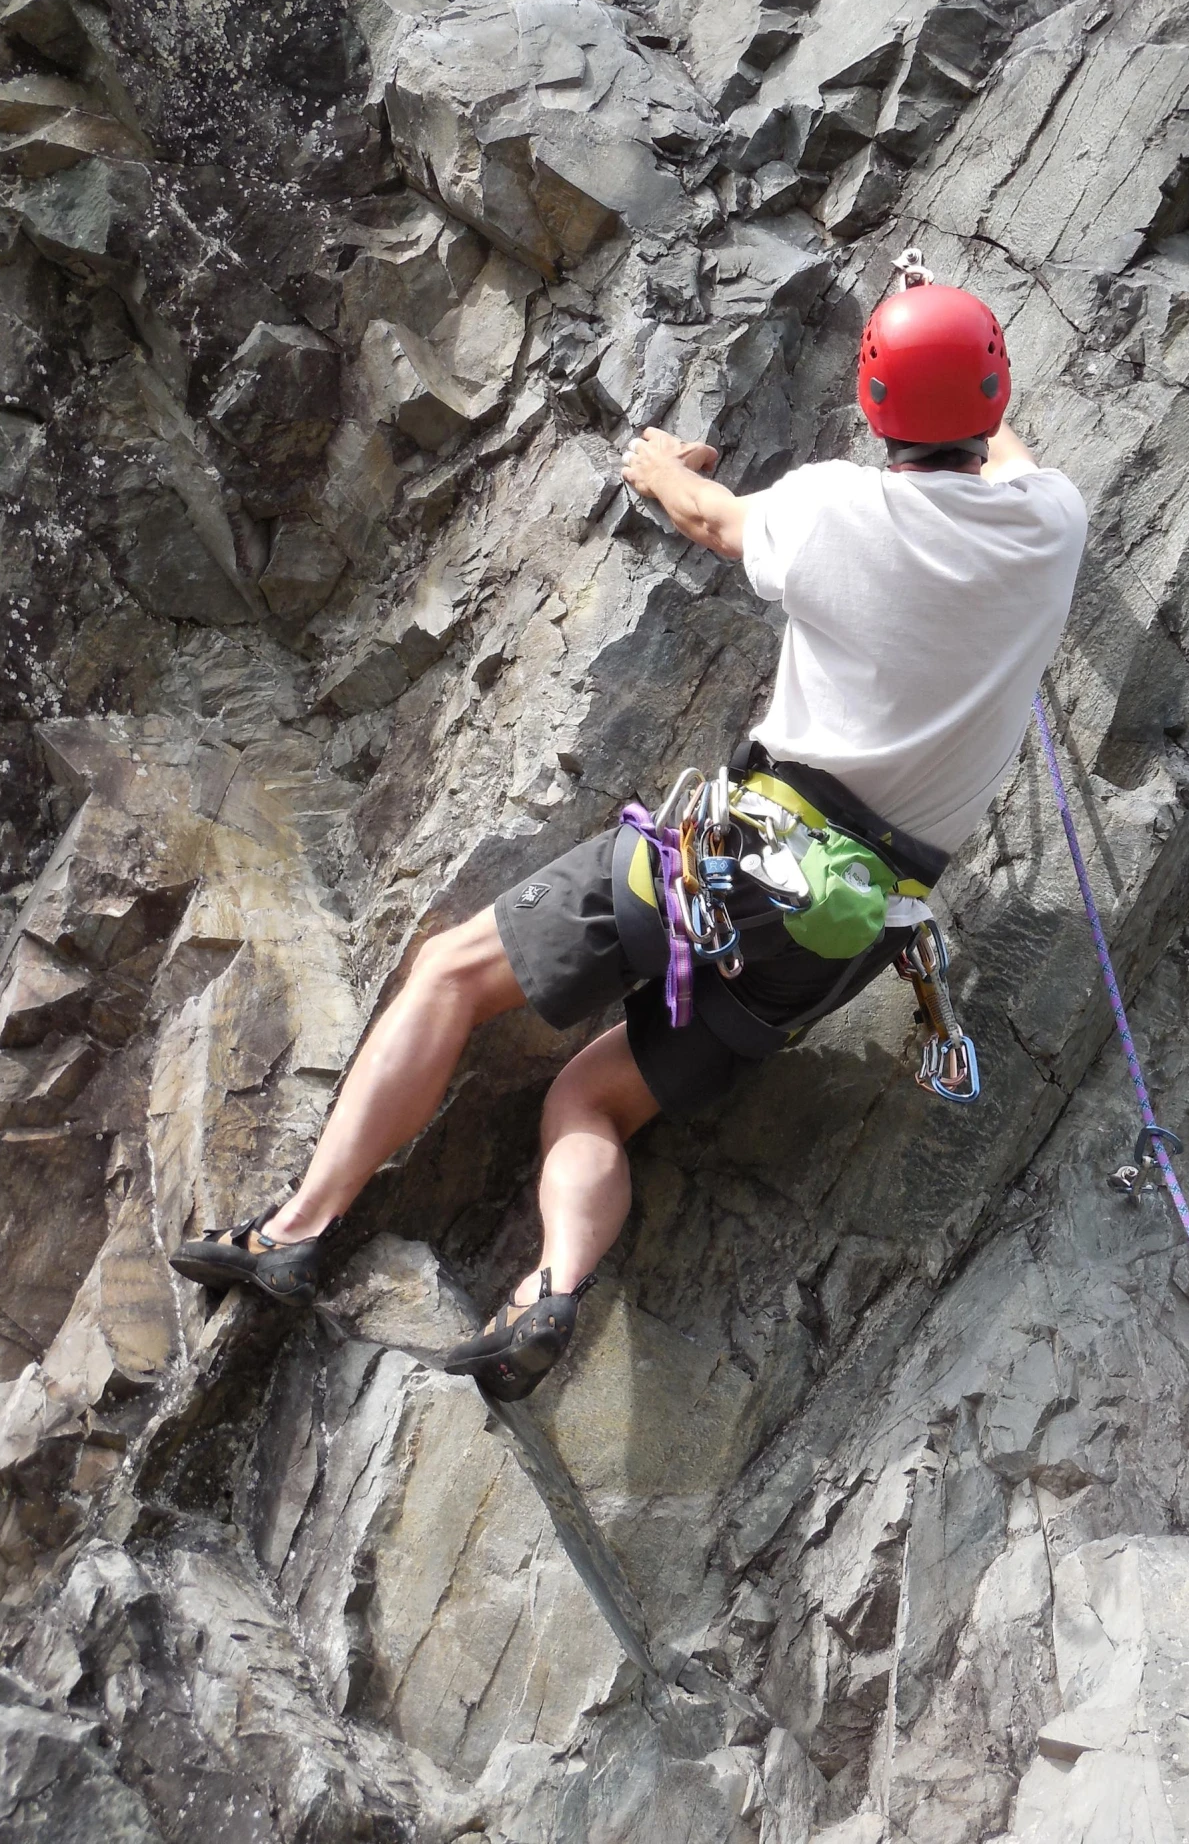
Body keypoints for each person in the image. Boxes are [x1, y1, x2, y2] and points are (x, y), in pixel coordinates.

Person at [172, 273, 1088, 1398]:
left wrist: (657, 464)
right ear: (992, 393)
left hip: (734, 859)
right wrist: (957, 341)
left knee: (451, 974)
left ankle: (298, 1231)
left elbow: (713, 520)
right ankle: (549, 1287)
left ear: (873, 401)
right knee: (589, 1097)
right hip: (843, 936)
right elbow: (1008, 450)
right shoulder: (1054, 527)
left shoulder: (840, 509)